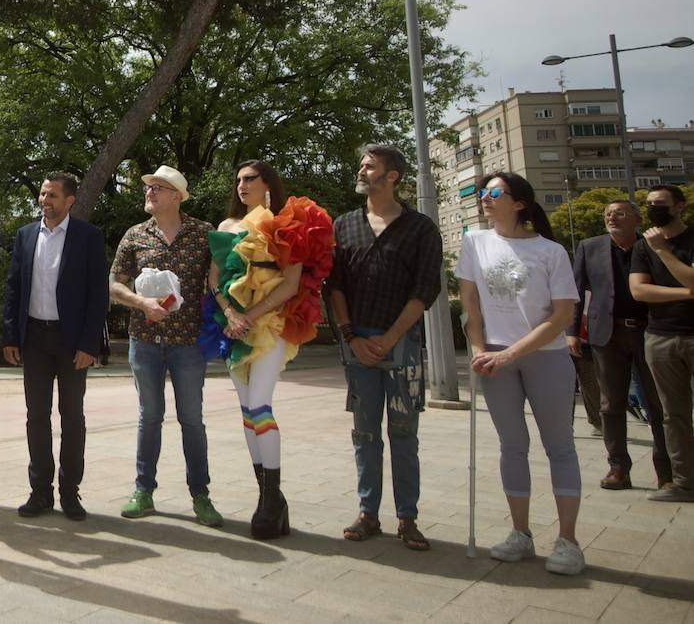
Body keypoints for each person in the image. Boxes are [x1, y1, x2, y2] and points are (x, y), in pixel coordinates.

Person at [458, 172, 584, 576]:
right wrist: (480, 350)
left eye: (494, 192)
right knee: (512, 446)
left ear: (519, 203)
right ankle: (521, 533)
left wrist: (511, 353)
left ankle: (567, 540)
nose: (485, 198)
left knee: (559, 446)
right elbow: (471, 307)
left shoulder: (551, 252)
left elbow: (563, 316)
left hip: (543, 357)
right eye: (483, 192)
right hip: (494, 361)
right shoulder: (473, 242)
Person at [208, 160, 332, 540]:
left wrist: (251, 315)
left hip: (272, 325)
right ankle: (269, 500)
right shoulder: (226, 227)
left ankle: (270, 500)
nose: (242, 185)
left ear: (268, 184)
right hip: (234, 325)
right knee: (247, 410)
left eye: (250, 179)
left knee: (260, 405)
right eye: (238, 179)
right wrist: (231, 312)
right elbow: (213, 279)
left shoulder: (284, 224)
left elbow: (291, 284)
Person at [326, 145, 440, 551]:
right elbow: (334, 286)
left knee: (404, 431)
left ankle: (407, 518)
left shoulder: (420, 228)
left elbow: (425, 290)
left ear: (392, 176)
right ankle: (367, 512)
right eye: (362, 163)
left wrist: (390, 338)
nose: (362, 170)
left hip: (403, 343)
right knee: (365, 433)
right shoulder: (344, 226)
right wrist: (352, 337)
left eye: (370, 165)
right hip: (356, 345)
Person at [110, 165, 223, 528]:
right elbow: (114, 284)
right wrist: (142, 304)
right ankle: (143, 491)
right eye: (149, 188)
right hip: (144, 342)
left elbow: (221, 280)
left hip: (189, 343)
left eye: (159, 188)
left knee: (191, 419)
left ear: (177, 196)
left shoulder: (204, 233)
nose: (150, 192)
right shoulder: (135, 235)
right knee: (150, 417)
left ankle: (201, 495)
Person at [2, 172, 109, 522]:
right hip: (34, 338)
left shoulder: (88, 237)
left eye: (52, 195)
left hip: (72, 342)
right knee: (36, 417)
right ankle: (40, 492)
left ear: (69, 201)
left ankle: (69, 493)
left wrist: (88, 344)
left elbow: (98, 296)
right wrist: (11, 337)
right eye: (43, 194)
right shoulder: (26, 235)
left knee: (72, 418)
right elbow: (14, 287)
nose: (44, 200)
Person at [571, 199, 668, 491]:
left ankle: (667, 471)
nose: (612, 217)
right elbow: (575, 290)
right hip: (607, 334)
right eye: (608, 213)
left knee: (658, 404)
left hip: (650, 332)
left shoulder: (654, 244)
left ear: (637, 220)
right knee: (610, 404)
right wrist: (571, 332)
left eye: (620, 213)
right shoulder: (590, 247)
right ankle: (618, 468)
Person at [631, 184, 694, 502]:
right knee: (673, 414)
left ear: (679, 206)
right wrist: (686, 292)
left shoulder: (680, 242)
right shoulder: (644, 246)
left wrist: (663, 252)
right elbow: (640, 292)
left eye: (661, 203)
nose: (653, 207)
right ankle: (684, 483)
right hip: (660, 336)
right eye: (649, 203)